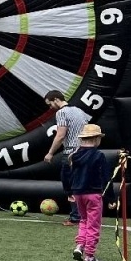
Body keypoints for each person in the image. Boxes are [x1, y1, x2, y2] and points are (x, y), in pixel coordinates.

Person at [65, 123, 113, 261]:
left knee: (83, 220)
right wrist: (111, 198)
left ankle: (80, 245)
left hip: (78, 194)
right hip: (93, 194)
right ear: (97, 139)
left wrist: (69, 191)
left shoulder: (74, 155)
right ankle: (90, 257)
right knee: (94, 225)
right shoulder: (99, 155)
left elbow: (68, 174)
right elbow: (106, 178)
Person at [43, 90, 89, 227]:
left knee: (69, 186)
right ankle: (84, 215)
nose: (50, 107)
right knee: (81, 185)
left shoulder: (61, 113)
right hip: (85, 152)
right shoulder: (79, 111)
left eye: (50, 104)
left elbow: (61, 135)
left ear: (56, 99)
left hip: (71, 154)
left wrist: (50, 153)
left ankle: (75, 217)